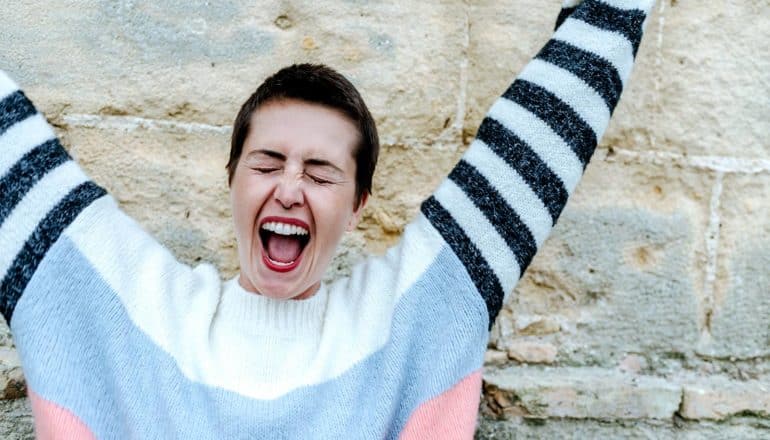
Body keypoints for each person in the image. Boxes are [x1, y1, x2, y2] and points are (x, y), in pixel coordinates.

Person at [0, 0, 655, 438]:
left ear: (357, 205)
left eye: (319, 174)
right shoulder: (135, 311)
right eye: (267, 163)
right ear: (231, 180)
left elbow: (533, 151)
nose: (289, 187)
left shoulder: (406, 320)